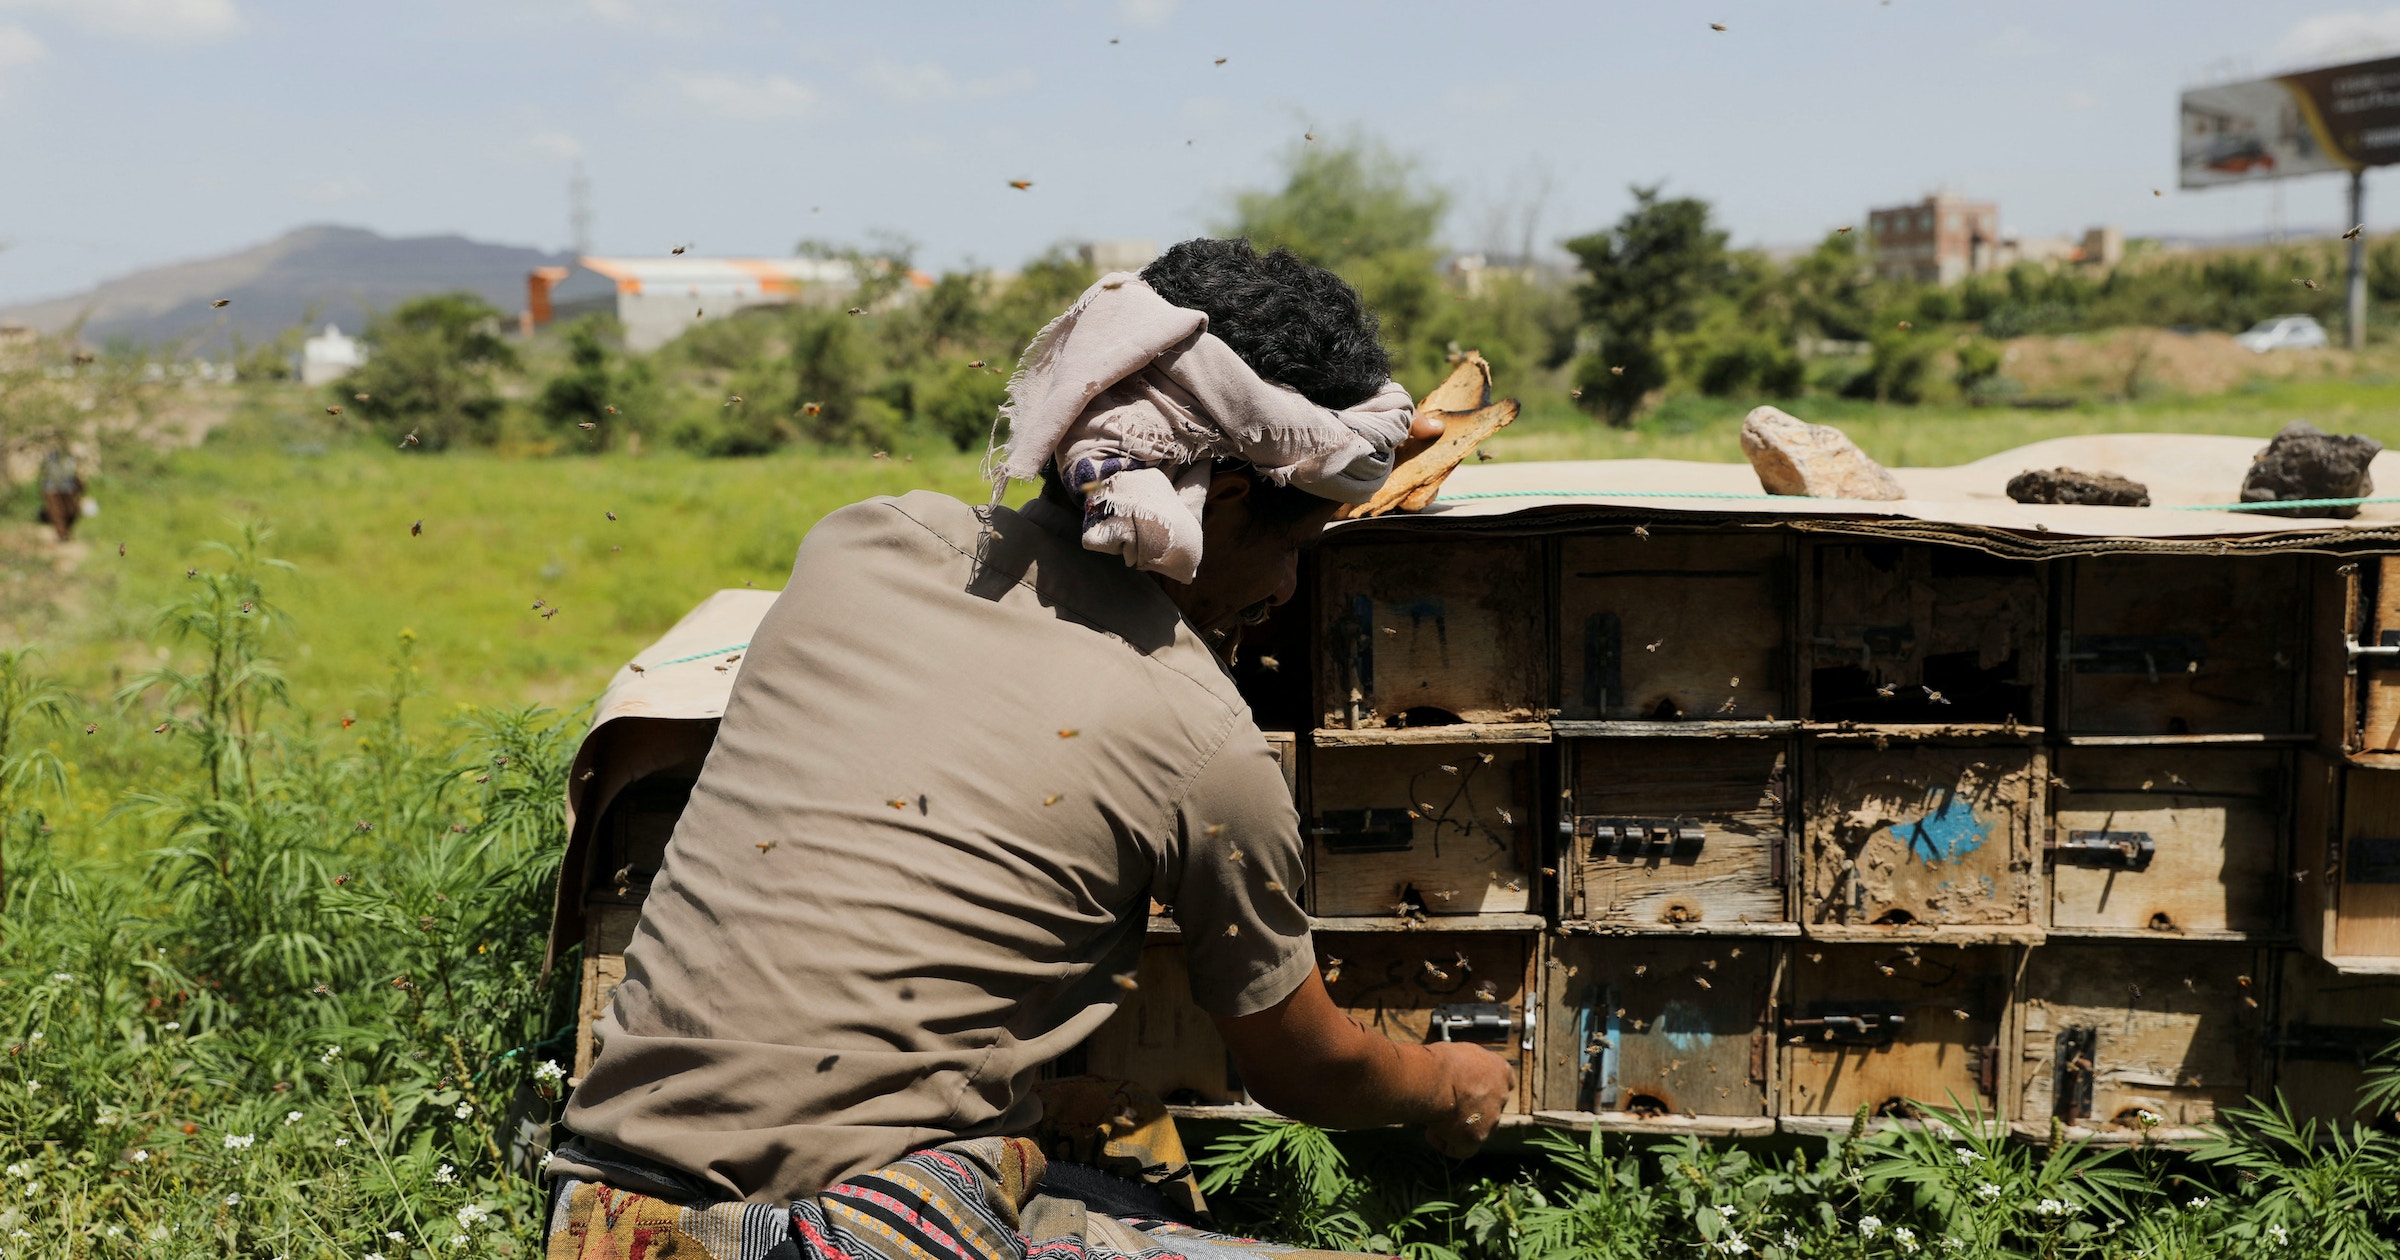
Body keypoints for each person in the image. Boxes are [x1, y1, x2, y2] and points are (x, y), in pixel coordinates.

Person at [545, 239, 1501, 1260]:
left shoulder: (864, 543)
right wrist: (1448, 1085)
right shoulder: (1200, 736)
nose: (1286, 590)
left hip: (603, 1216)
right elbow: (1303, 1068)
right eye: (1296, 547)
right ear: (1217, 504)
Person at [38, 449, 82, 543]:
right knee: (57, 513)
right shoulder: (50, 459)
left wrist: (79, 489)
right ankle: (62, 535)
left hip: (68, 490)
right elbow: (46, 475)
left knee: (71, 511)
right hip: (52, 490)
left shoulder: (69, 458)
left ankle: (65, 533)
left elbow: (74, 476)